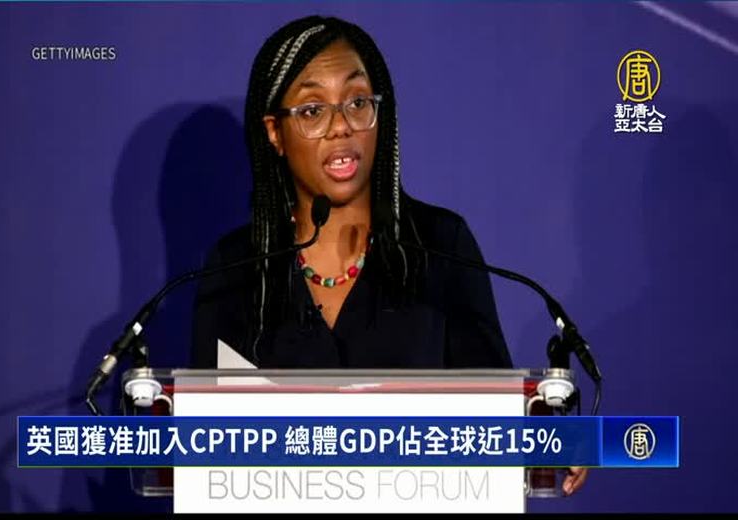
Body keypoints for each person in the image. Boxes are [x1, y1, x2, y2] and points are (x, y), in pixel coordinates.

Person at [190, 15, 586, 495]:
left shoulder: (440, 246)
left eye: (358, 102)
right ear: (275, 132)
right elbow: (204, 445)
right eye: (313, 110)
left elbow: (495, 414)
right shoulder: (237, 266)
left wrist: (548, 435)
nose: (341, 126)